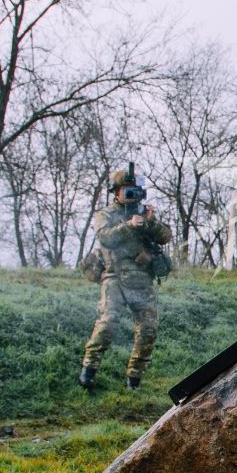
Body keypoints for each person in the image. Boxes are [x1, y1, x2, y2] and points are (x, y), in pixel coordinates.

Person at [79, 166, 172, 391]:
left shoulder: (145, 213)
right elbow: (105, 238)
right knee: (108, 323)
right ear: (116, 191)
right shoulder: (106, 214)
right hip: (114, 276)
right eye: (127, 190)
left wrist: (149, 222)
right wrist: (129, 225)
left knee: (148, 328)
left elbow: (165, 236)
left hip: (142, 278)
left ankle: (134, 379)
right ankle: (88, 371)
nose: (132, 194)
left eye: (135, 190)